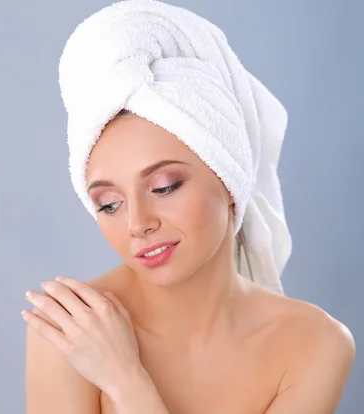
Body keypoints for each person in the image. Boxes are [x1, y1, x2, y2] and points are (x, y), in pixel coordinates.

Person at [22, 1, 355, 413]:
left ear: (229, 177)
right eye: (109, 204)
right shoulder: (73, 329)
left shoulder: (314, 344)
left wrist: (125, 379)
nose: (137, 224)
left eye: (164, 187)